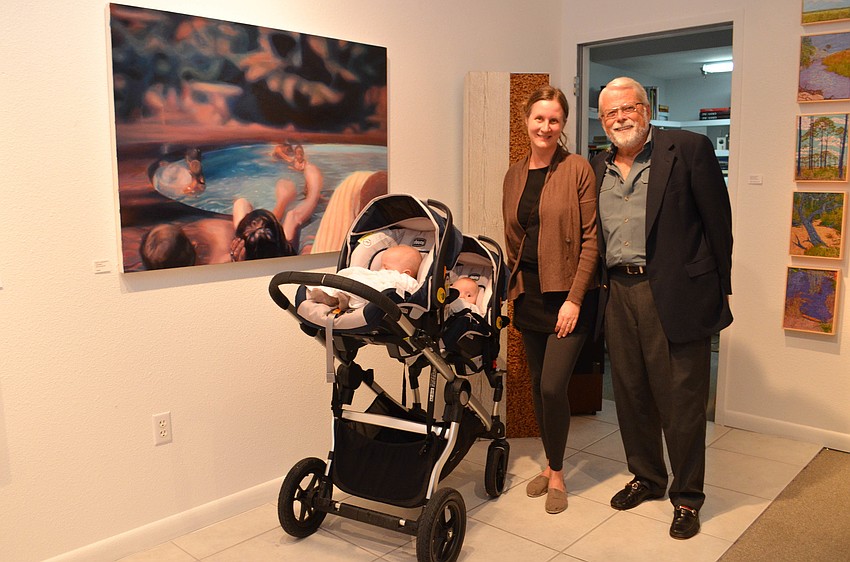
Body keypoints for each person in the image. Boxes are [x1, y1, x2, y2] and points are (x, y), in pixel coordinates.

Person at [592, 77, 733, 540]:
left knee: (682, 405)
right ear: (603, 121)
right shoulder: (599, 168)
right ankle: (647, 477)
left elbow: (719, 225)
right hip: (619, 293)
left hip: (674, 294)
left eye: (628, 108)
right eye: (610, 114)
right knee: (631, 395)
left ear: (646, 108)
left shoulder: (687, 148)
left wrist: (718, 292)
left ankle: (688, 498)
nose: (620, 119)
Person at [502, 85, 599, 515]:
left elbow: (592, 240)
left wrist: (575, 298)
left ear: (562, 125)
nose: (546, 127)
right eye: (539, 118)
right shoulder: (513, 173)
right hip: (529, 297)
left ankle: (557, 474)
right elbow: (513, 240)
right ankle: (550, 464)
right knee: (540, 390)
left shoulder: (577, 168)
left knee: (552, 386)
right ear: (526, 120)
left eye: (554, 120)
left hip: (568, 298)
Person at [309, 244, 422, 311]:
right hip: (373, 281)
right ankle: (330, 291)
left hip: (380, 293)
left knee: (366, 286)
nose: (381, 269)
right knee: (355, 275)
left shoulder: (406, 280)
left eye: (386, 267)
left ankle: (340, 297)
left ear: (406, 272)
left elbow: (410, 292)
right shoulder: (379, 274)